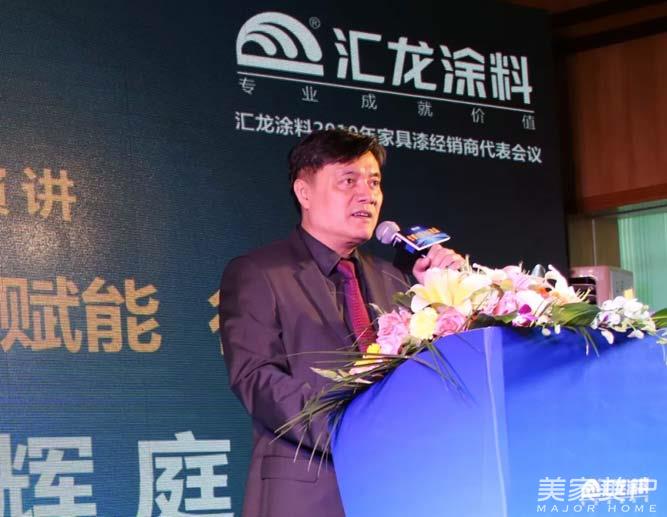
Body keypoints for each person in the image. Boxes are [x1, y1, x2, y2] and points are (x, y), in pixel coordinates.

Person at [219, 129, 462, 517]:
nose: (368, 194)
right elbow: (257, 378)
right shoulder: (259, 273)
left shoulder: (395, 280)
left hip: (396, 490)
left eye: (374, 182)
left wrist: (446, 295)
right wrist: (352, 432)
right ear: (304, 193)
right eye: (348, 180)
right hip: (308, 494)